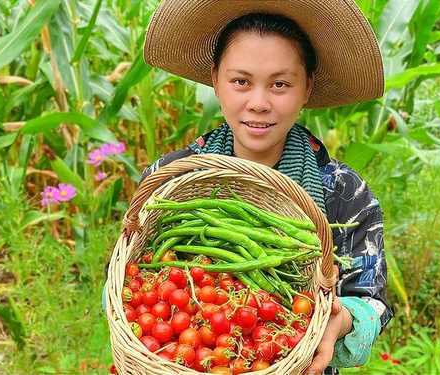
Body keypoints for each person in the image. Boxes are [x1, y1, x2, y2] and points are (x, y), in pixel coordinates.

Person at [115, 1, 393, 373]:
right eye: (241, 81)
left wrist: (341, 321)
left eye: (280, 84)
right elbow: (125, 277)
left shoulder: (345, 193)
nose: (258, 103)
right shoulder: (171, 177)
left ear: (307, 87)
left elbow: (372, 301)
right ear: (215, 80)